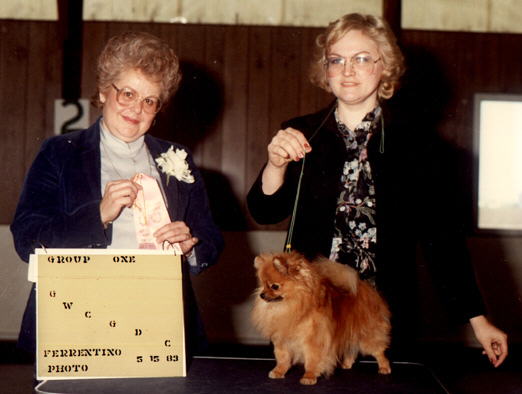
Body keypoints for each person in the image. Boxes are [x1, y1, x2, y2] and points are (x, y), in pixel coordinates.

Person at [247, 13, 507, 367]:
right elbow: (265, 212)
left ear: (385, 68)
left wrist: (479, 320)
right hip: (312, 315)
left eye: (362, 58)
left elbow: (443, 241)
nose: (348, 70)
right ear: (326, 72)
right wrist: (276, 163)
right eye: (336, 60)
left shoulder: (418, 144)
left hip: (381, 317)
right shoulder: (299, 131)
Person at [11, 31, 223, 356]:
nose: (137, 108)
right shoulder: (59, 152)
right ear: (103, 91)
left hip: (157, 320)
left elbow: (209, 239)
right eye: (127, 93)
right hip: (75, 320)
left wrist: (190, 244)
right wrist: (98, 216)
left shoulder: (177, 158)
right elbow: (26, 239)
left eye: (149, 100)